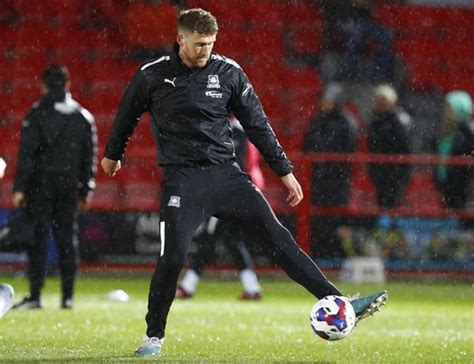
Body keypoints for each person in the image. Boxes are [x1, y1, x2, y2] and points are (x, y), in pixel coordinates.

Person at [101, 8, 387, 357]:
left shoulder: (229, 73)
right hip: (183, 179)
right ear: (180, 39)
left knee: (280, 239)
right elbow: (126, 115)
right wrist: (113, 154)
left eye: (210, 43)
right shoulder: (152, 76)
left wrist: (285, 171)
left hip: (227, 175)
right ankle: (153, 337)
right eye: (198, 44)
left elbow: (258, 125)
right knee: (172, 256)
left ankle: (339, 301)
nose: (205, 50)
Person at [12, 64, 98, 309]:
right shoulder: (82, 116)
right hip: (69, 187)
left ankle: (35, 296)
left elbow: (27, 154)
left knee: (37, 241)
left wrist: (20, 188)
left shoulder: (36, 113)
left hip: (40, 187)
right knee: (67, 241)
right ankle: (67, 297)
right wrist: (86, 189)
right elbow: (88, 157)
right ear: (68, 84)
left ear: (43, 85)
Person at [176, 118, 263, 301]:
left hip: (231, 194)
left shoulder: (233, 133)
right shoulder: (244, 130)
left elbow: (233, 167)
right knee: (231, 240)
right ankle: (252, 287)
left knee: (210, 238)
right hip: (244, 191)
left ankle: (188, 286)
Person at [302, 83, 357, 258]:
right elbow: (308, 145)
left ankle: (334, 255)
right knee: (318, 219)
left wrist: (324, 159)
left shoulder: (346, 122)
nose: (324, 104)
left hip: (337, 180)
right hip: (319, 179)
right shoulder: (318, 120)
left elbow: (346, 151)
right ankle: (319, 254)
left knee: (334, 218)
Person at [368, 84, 412, 208]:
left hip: (395, 172)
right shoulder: (375, 120)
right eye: (378, 100)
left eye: (383, 101)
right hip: (380, 172)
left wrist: (402, 172)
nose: (380, 104)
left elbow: (406, 148)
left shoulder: (401, 121)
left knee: (394, 206)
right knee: (381, 205)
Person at [435, 91, 474, 209]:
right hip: (449, 184)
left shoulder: (469, 131)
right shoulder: (447, 130)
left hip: (463, 187)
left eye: (450, 108)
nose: (446, 111)